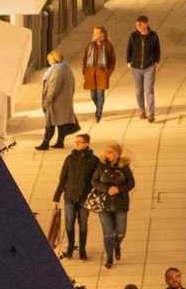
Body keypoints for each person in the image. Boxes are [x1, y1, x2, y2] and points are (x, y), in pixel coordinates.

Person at [51, 132, 98, 260]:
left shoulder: (94, 160)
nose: (76, 144)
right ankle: (70, 247)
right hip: (70, 196)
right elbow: (63, 177)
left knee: (83, 224)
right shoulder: (70, 158)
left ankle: (82, 249)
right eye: (75, 142)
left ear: (87, 143)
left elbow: (96, 180)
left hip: (84, 198)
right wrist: (57, 196)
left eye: (79, 142)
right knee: (69, 224)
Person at [91, 142, 135, 269]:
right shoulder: (101, 166)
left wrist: (119, 189)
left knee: (121, 232)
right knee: (108, 234)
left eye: (110, 152)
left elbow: (131, 183)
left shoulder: (124, 167)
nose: (107, 154)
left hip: (120, 204)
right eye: (106, 152)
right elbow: (94, 181)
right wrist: (106, 189)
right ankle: (109, 257)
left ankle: (117, 245)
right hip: (104, 204)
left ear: (117, 154)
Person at [38, 50, 77, 149]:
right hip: (63, 101)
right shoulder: (65, 67)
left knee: (50, 123)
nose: (48, 62)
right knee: (61, 123)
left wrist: (48, 99)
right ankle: (59, 142)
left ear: (54, 59)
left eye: (49, 60)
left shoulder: (58, 70)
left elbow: (54, 86)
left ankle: (45, 143)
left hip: (56, 102)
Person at [126, 15, 161, 122]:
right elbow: (129, 49)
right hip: (136, 67)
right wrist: (128, 61)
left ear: (146, 24)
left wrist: (156, 61)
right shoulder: (133, 36)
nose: (138, 27)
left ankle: (151, 114)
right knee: (139, 90)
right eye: (137, 25)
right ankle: (142, 111)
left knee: (149, 90)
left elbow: (157, 49)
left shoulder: (153, 36)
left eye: (140, 24)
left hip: (149, 67)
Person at [82, 25, 115, 123]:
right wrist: (84, 71)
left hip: (102, 74)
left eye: (97, 33)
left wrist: (108, 73)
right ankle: (98, 108)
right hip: (91, 74)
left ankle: (98, 113)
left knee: (100, 94)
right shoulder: (90, 45)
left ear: (102, 34)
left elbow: (112, 60)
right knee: (93, 95)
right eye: (94, 33)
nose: (94, 34)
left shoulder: (108, 45)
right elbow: (84, 58)